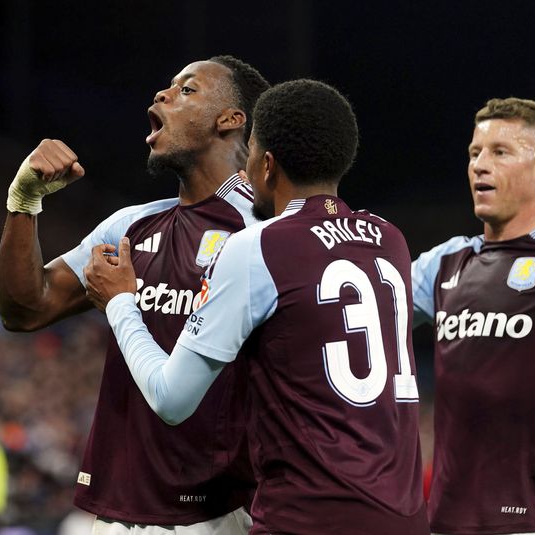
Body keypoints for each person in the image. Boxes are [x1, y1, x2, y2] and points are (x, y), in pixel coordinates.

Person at [84, 79, 429, 534]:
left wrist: (121, 303)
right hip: (403, 516)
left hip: (307, 516)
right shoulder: (390, 238)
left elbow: (171, 399)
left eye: (250, 156)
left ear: (266, 165)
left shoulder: (258, 246)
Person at [0, 56, 270, 533]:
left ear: (231, 120)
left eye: (186, 90)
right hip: (115, 514)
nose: (161, 96)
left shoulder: (265, 231)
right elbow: (25, 307)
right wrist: (23, 202)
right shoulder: (130, 227)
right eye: (165, 87)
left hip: (217, 513)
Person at [411, 97, 535, 535]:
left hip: (534, 521)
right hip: (447, 521)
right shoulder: (446, 262)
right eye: (475, 153)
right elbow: (361, 307)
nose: (479, 166)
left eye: (500, 152)